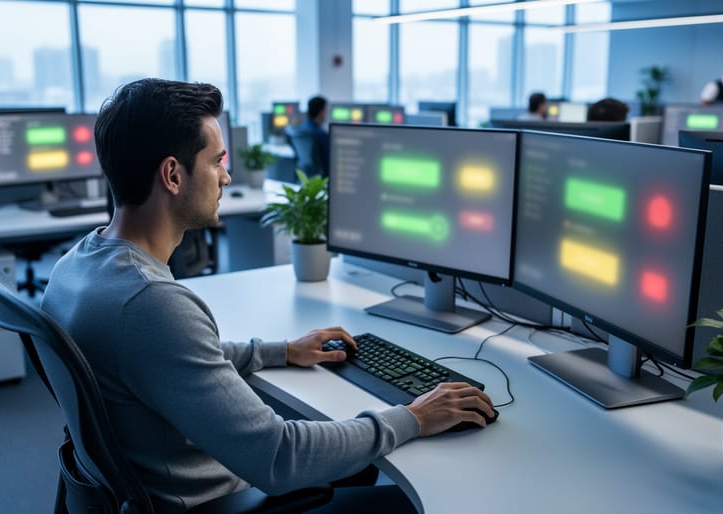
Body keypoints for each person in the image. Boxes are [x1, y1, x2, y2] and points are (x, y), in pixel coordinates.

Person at [41, 78, 494, 514]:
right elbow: (280, 458)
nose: (226, 174)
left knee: (360, 461)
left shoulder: (78, 266)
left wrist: (280, 351)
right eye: (217, 161)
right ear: (173, 175)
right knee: (423, 499)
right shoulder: (150, 303)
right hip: (222, 500)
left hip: (171, 486)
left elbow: (169, 356)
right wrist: (414, 415)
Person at [295, 95, 329, 176]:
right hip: (320, 177)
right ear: (321, 112)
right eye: (325, 110)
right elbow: (329, 159)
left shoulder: (302, 129)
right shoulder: (320, 134)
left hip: (305, 174)